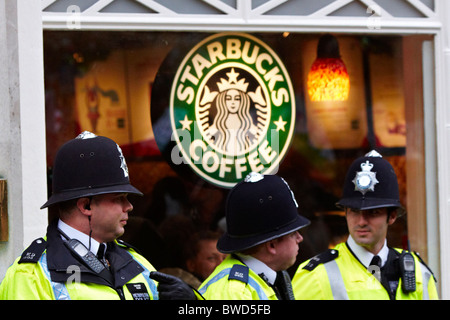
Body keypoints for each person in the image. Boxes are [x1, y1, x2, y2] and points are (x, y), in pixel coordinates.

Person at [0, 131, 195, 300]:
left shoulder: (136, 262)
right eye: (119, 198)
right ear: (86, 205)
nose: (129, 206)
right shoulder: (32, 276)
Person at [292, 150, 439, 300]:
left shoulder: (417, 273)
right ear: (345, 212)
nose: (361, 221)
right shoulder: (317, 276)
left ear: (392, 216)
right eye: (355, 211)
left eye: (373, 212)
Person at [198, 172, 310, 300]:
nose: (300, 238)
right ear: (272, 245)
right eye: (292, 233)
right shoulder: (234, 294)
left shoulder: (268, 279)